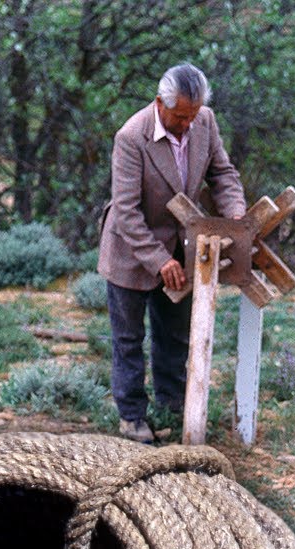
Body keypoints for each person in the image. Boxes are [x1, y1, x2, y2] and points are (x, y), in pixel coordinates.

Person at [98, 63, 245, 443]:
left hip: (181, 248)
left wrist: (236, 214)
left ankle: (172, 405)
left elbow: (223, 173)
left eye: (192, 116)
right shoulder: (131, 137)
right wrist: (157, 260)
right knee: (128, 339)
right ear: (159, 104)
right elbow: (126, 212)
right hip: (132, 251)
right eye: (179, 116)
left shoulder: (205, 121)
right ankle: (132, 418)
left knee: (174, 334)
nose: (186, 124)